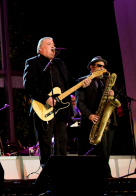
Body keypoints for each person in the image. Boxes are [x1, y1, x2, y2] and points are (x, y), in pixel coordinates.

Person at [23, 37, 90, 167]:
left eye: (53, 44)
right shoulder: (33, 62)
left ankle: (61, 170)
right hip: (42, 107)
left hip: (61, 108)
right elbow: (29, 84)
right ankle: (47, 173)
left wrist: (82, 84)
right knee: (45, 141)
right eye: (49, 44)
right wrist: (45, 98)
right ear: (40, 49)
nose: (53, 47)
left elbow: (70, 81)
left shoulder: (59, 63)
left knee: (62, 139)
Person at [76, 56, 117, 177]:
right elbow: (79, 102)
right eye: (99, 66)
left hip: (109, 121)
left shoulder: (107, 80)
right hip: (95, 121)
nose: (102, 68)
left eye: (103, 66)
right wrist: (90, 115)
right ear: (92, 67)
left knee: (107, 152)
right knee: (102, 152)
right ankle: (108, 178)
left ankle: (102, 177)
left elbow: (117, 99)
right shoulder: (83, 81)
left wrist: (113, 94)